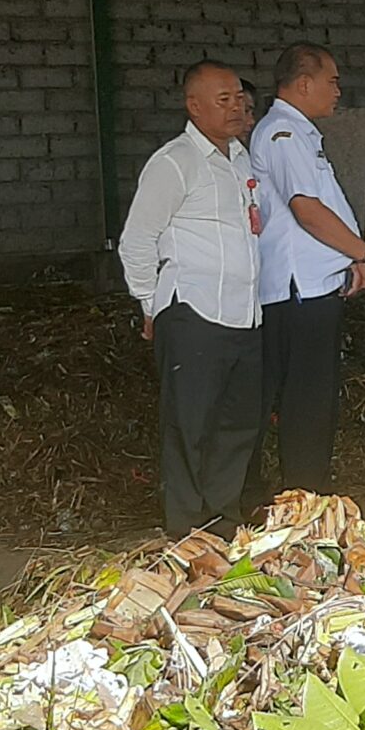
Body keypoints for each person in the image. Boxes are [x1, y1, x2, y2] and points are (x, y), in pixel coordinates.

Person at [120, 60, 265, 536]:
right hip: (194, 313)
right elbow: (137, 241)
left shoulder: (240, 158)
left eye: (239, 97)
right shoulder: (174, 162)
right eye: (223, 100)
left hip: (244, 314)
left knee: (237, 424)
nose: (236, 107)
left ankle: (222, 523)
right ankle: (185, 532)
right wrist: (150, 304)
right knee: (190, 426)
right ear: (194, 106)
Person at [249, 43, 365, 495]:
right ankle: (304, 496)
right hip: (298, 290)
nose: (338, 91)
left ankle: (307, 490)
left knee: (315, 396)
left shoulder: (301, 133)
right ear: (304, 83)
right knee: (306, 398)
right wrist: (363, 253)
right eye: (333, 81)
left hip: (313, 287)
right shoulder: (283, 134)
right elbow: (306, 210)